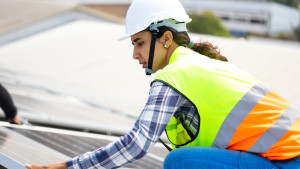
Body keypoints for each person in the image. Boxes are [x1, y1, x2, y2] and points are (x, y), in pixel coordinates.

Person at [25, 0, 300, 168]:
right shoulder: (204, 64)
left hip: (287, 162)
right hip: (287, 157)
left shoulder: (175, 75)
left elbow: (135, 145)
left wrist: (66, 167)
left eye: (140, 43)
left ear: (166, 38)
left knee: (178, 162)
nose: (135, 54)